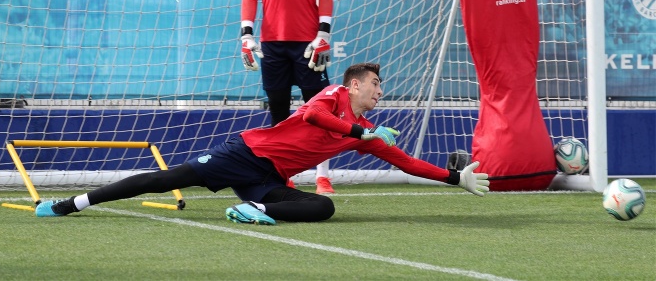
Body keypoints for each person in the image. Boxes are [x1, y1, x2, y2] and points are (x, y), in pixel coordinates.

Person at [36, 63, 490, 223]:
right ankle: (70, 204)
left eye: (380, 86)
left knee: (324, 207)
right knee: (165, 179)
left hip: (268, 178)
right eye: (374, 84)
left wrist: (455, 178)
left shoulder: (366, 132)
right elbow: (310, 115)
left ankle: (254, 209)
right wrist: (359, 133)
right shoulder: (333, 95)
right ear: (354, 85)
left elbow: (406, 162)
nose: (379, 91)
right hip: (245, 153)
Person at [239, 0, 337, 194]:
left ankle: (322, 176)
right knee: (278, 113)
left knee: (319, 112)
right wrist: (246, 34)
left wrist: (323, 33)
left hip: (308, 43)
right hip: (272, 43)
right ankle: (282, 176)